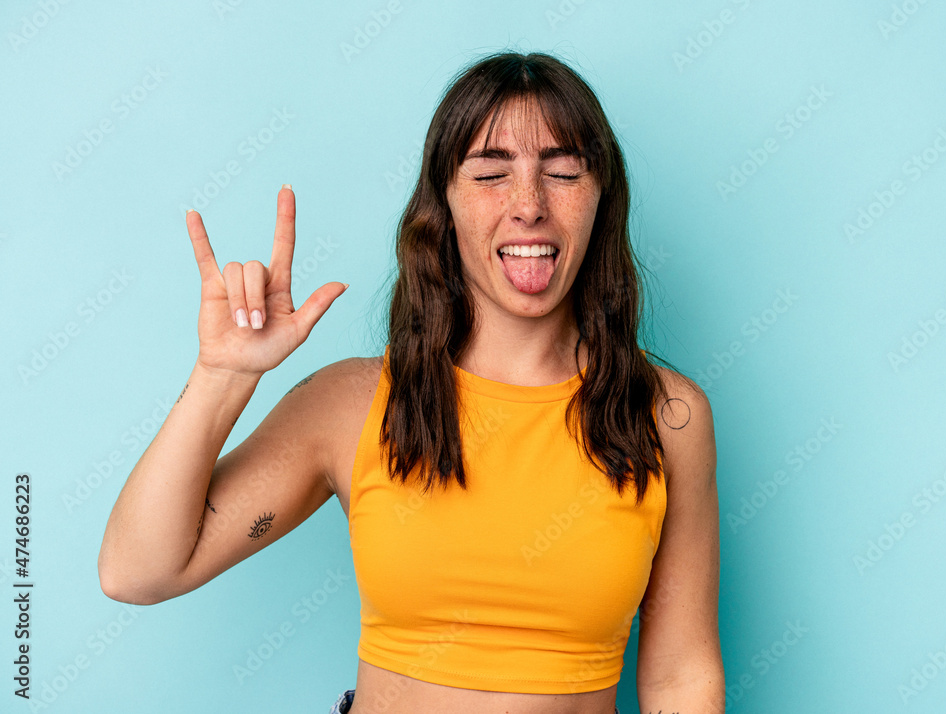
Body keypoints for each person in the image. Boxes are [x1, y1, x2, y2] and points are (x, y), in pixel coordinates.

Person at [98, 51, 724, 713]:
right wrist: (223, 376)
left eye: (564, 172)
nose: (529, 206)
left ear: (601, 198)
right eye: (490, 174)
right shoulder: (352, 404)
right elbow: (137, 571)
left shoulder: (667, 415)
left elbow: (680, 679)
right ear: (445, 203)